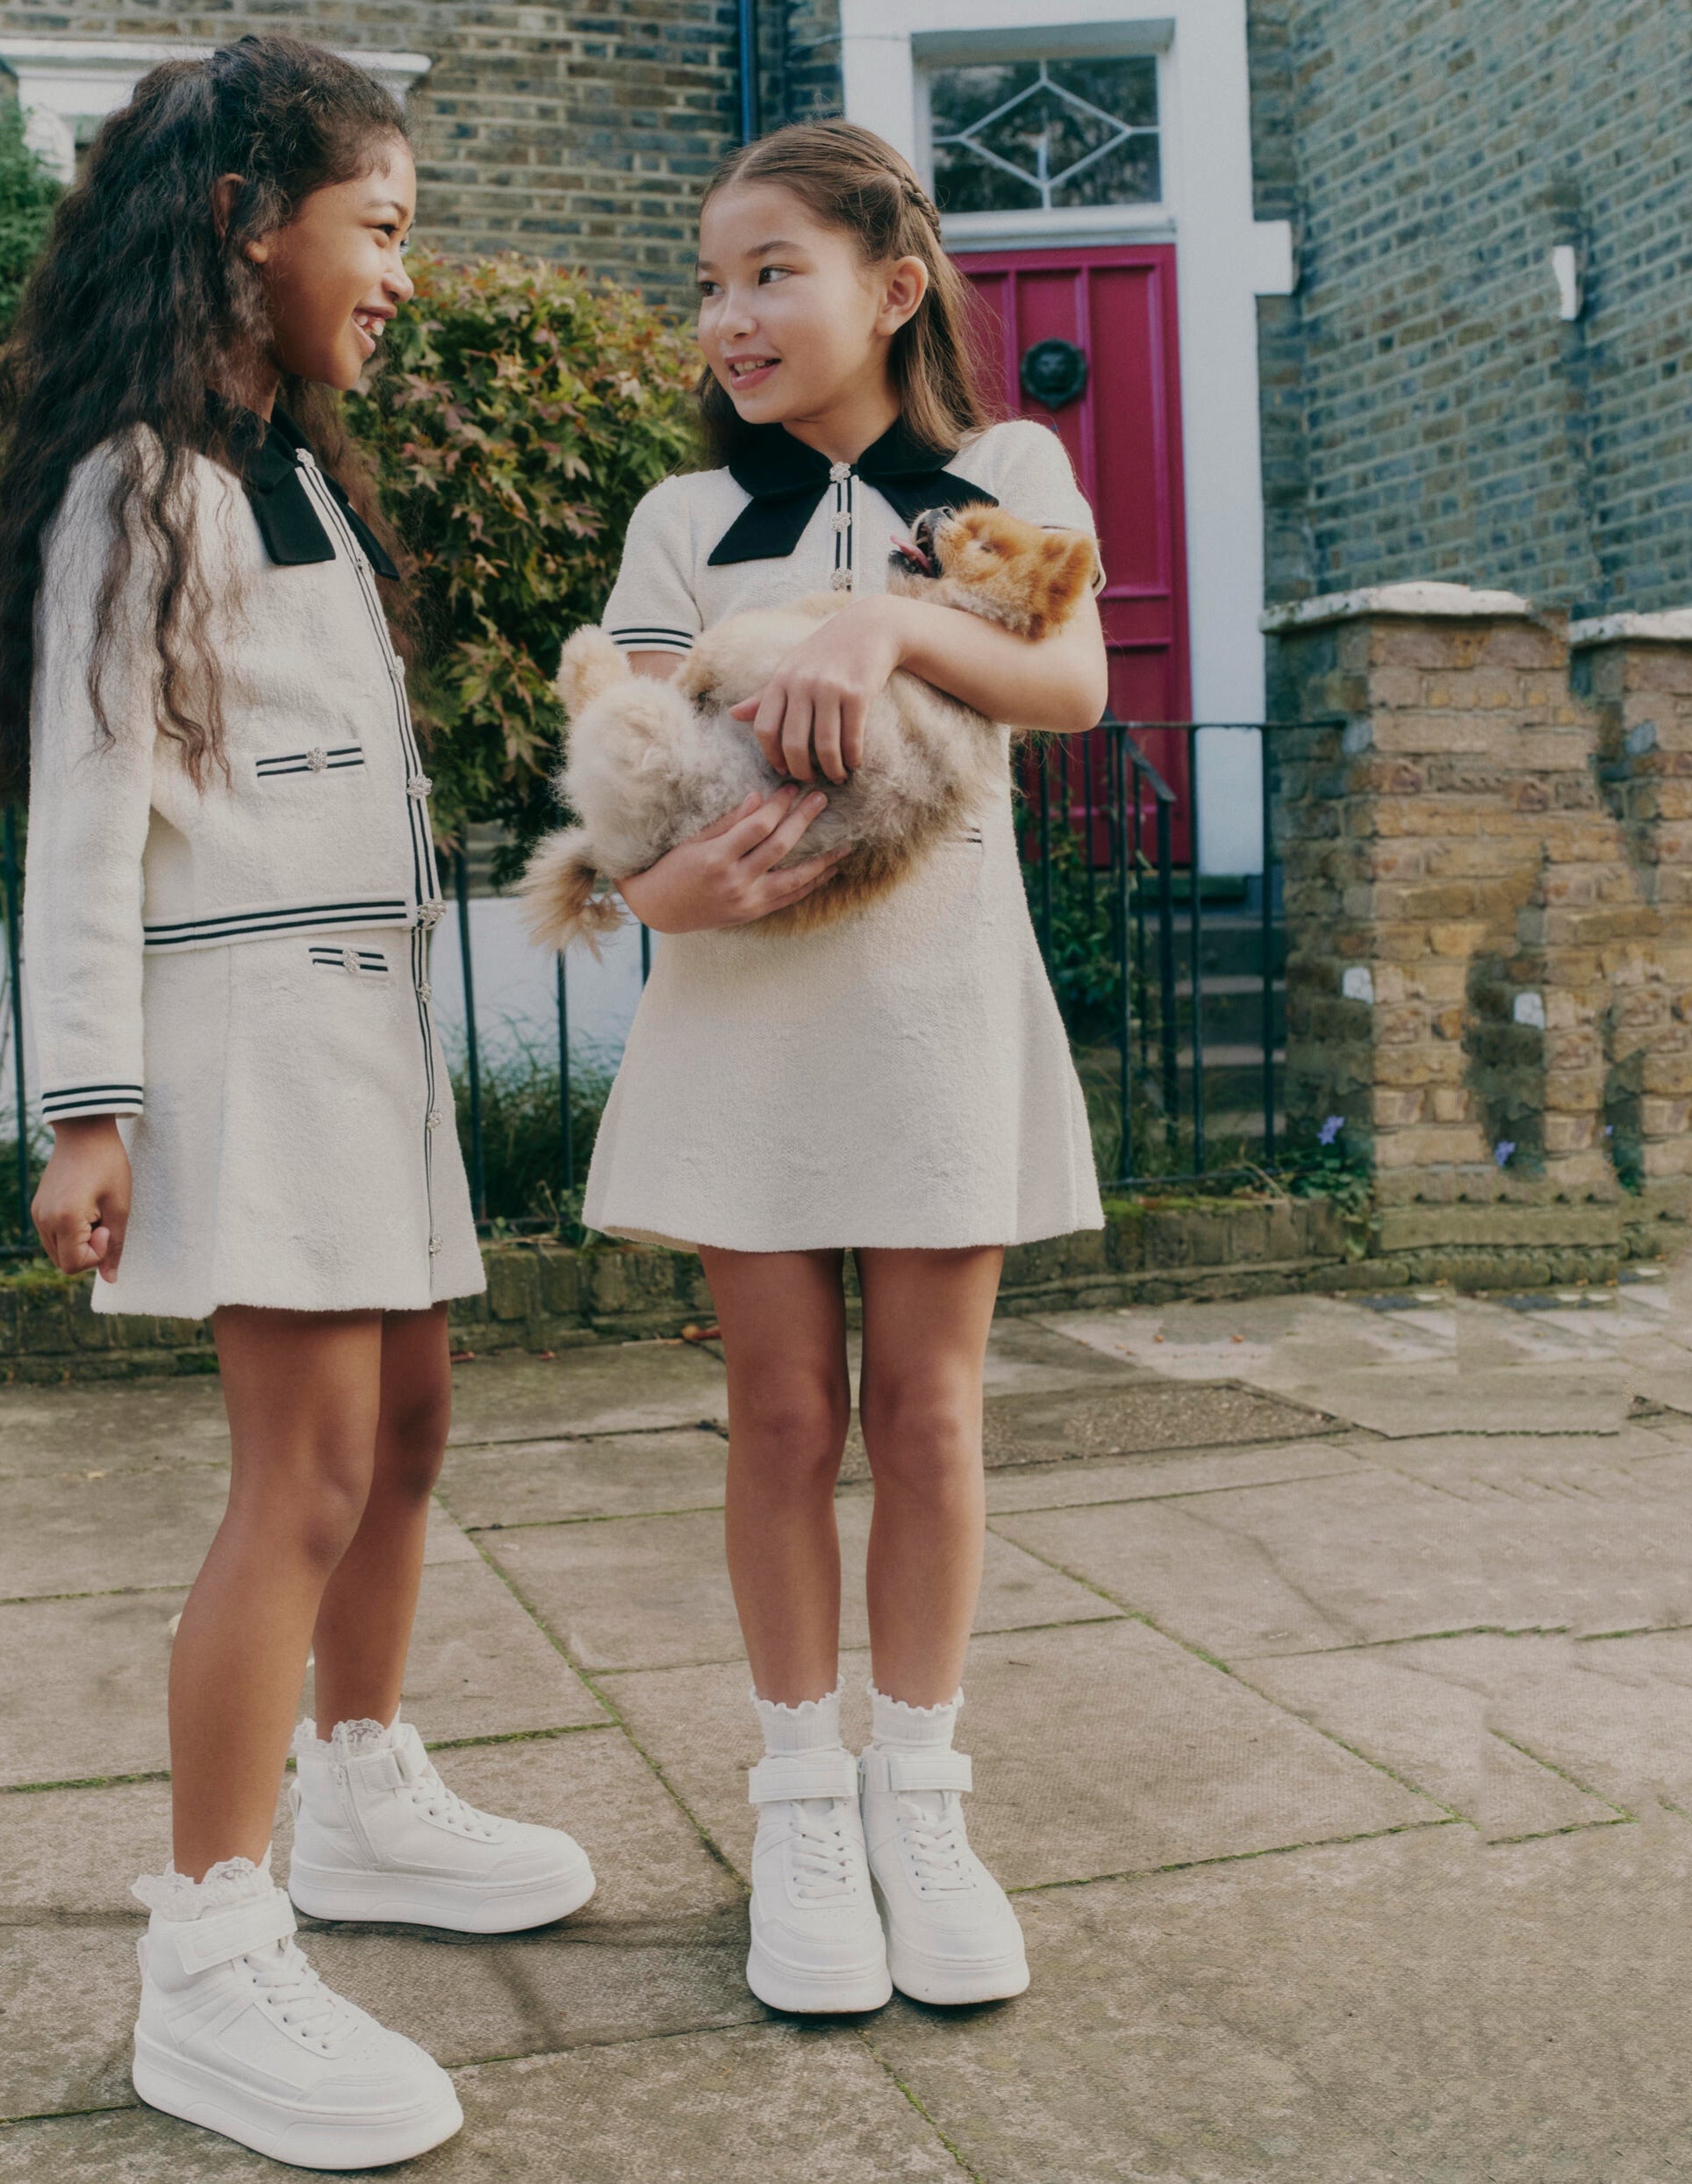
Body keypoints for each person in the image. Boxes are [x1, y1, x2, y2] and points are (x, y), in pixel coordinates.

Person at [0, 37, 592, 2169]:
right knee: (297, 1472)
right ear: (247, 223)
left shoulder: (291, 466)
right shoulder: (142, 481)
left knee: (408, 1422)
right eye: (380, 227)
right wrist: (86, 1109)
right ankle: (207, 1959)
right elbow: (86, 812)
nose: (401, 274)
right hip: (242, 1041)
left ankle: (360, 1788)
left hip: (364, 1035)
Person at [583, 120, 1108, 2014]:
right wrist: (663, 885)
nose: (728, 315)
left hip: (932, 1002)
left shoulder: (988, 473)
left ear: (892, 287)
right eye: (711, 281)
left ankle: (921, 1797)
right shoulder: (675, 519)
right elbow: (624, 768)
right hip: (741, 1013)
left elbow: (1067, 682)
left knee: (932, 1418)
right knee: (784, 1414)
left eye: (769, 273)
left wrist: (880, 612)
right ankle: (799, 1796)